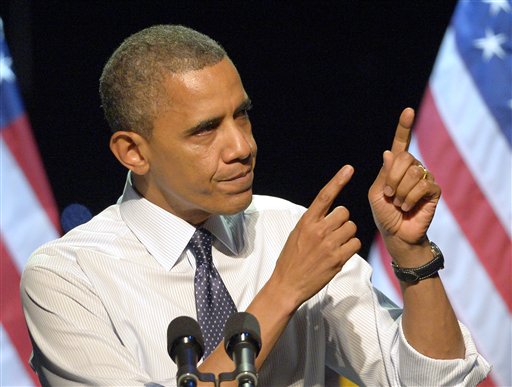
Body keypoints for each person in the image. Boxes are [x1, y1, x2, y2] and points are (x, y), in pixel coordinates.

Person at [21, 25, 490, 386]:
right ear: (133, 152)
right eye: (206, 129)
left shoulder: (290, 228)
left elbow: (432, 380)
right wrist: (284, 289)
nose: (241, 146)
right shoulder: (68, 275)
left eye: (241, 115)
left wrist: (412, 256)